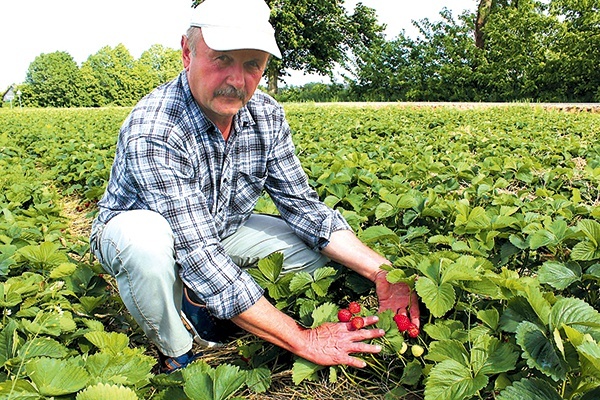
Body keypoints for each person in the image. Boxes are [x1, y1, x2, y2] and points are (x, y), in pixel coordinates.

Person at [90, 0, 420, 374]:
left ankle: (199, 298)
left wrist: (384, 272)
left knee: (312, 254)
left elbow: (303, 206)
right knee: (144, 243)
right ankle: (177, 349)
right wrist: (302, 337)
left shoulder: (266, 114)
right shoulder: (155, 127)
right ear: (187, 52)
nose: (236, 79)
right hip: (147, 236)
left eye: (252, 64)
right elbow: (197, 252)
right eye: (222, 59)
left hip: (220, 229)